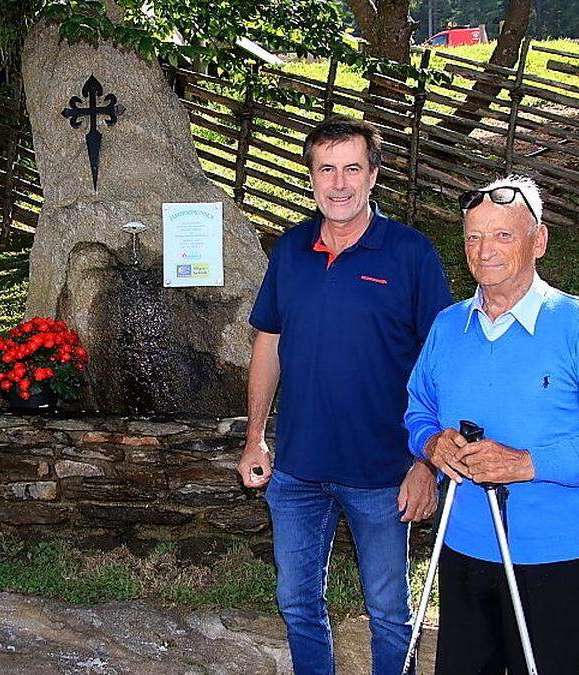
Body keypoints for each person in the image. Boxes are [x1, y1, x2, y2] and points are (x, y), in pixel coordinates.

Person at [236, 118, 454, 674]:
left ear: (373, 176)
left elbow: (445, 364)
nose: (338, 184)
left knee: (387, 611)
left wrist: (426, 462)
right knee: (298, 604)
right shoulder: (289, 250)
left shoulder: (410, 253)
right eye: (325, 169)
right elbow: (268, 343)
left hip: (385, 471)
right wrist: (255, 438)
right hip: (298, 470)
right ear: (310, 178)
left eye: (352, 168)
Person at [404, 175, 579, 674]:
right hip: (464, 543)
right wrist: (431, 444)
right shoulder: (449, 326)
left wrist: (528, 463)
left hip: (552, 553)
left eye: (502, 235)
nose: (484, 250)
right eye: (473, 236)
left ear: (539, 240)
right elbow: (418, 408)